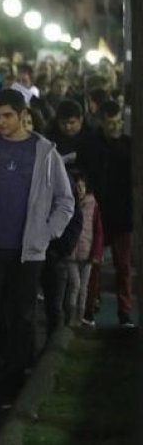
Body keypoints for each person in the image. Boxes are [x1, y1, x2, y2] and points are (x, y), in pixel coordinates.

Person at [0, 89, 75, 407]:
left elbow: (65, 201)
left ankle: (13, 384)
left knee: (21, 318)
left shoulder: (45, 153)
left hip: (28, 252)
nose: (1, 122)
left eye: (7, 116)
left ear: (23, 114)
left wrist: (46, 234)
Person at [89, 101, 133, 327]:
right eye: (111, 123)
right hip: (99, 213)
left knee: (123, 266)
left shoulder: (128, 145)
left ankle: (124, 311)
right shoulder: (93, 144)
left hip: (121, 214)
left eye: (118, 122)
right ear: (102, 122)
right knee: (93, 263)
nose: (115, 126)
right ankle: (90, 307)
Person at [63, 170, 103, 327]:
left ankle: (80, 319)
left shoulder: (93, 206)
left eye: (82, 187)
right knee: (75, 284)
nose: (79, 190)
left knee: (84, 287)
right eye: (77, 187)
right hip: (71, 252)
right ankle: (70, 319)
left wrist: (97, 253)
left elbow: (98, 231)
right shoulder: (68, 204)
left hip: (87, 252)